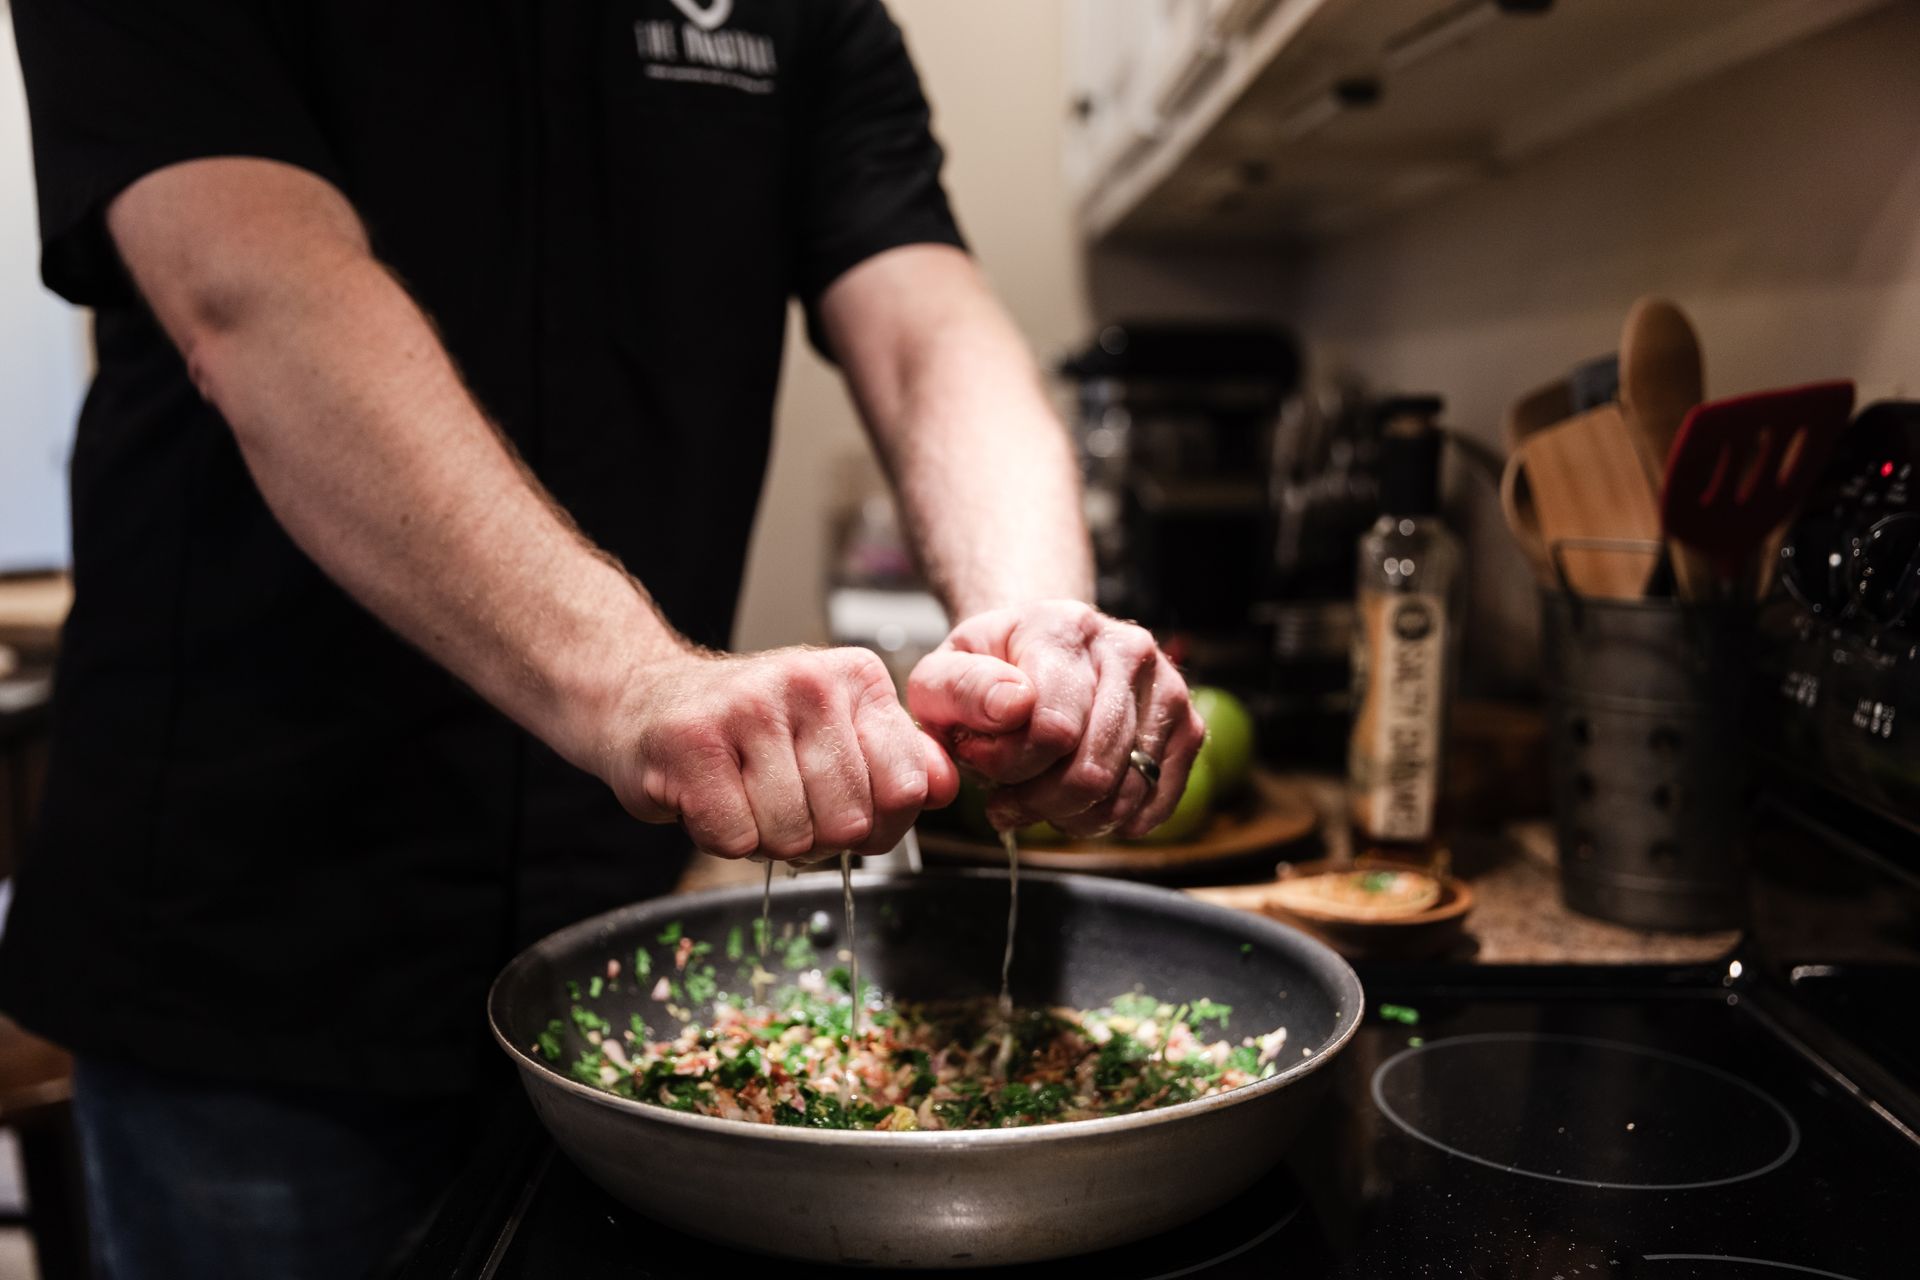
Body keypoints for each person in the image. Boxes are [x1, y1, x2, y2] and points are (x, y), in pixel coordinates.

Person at [1, 1, 1205, 1276]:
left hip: (612, 942)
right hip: (249, 931)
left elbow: (926, 325)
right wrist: (636, 677)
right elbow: (256, 290)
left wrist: (1036, 640)